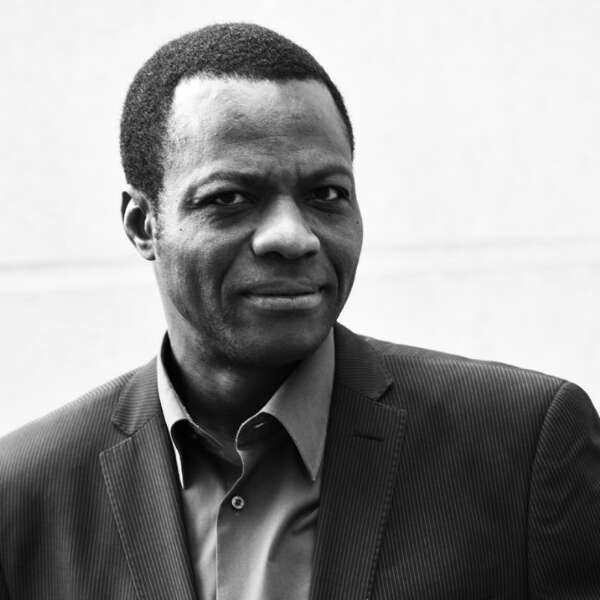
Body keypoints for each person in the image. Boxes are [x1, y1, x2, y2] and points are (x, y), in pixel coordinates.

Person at [1, 22, 599, 600]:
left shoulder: (522, 446)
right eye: (230, 198)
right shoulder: (23, 497)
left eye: (326, 194)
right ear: (143, 224)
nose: (293, 236)